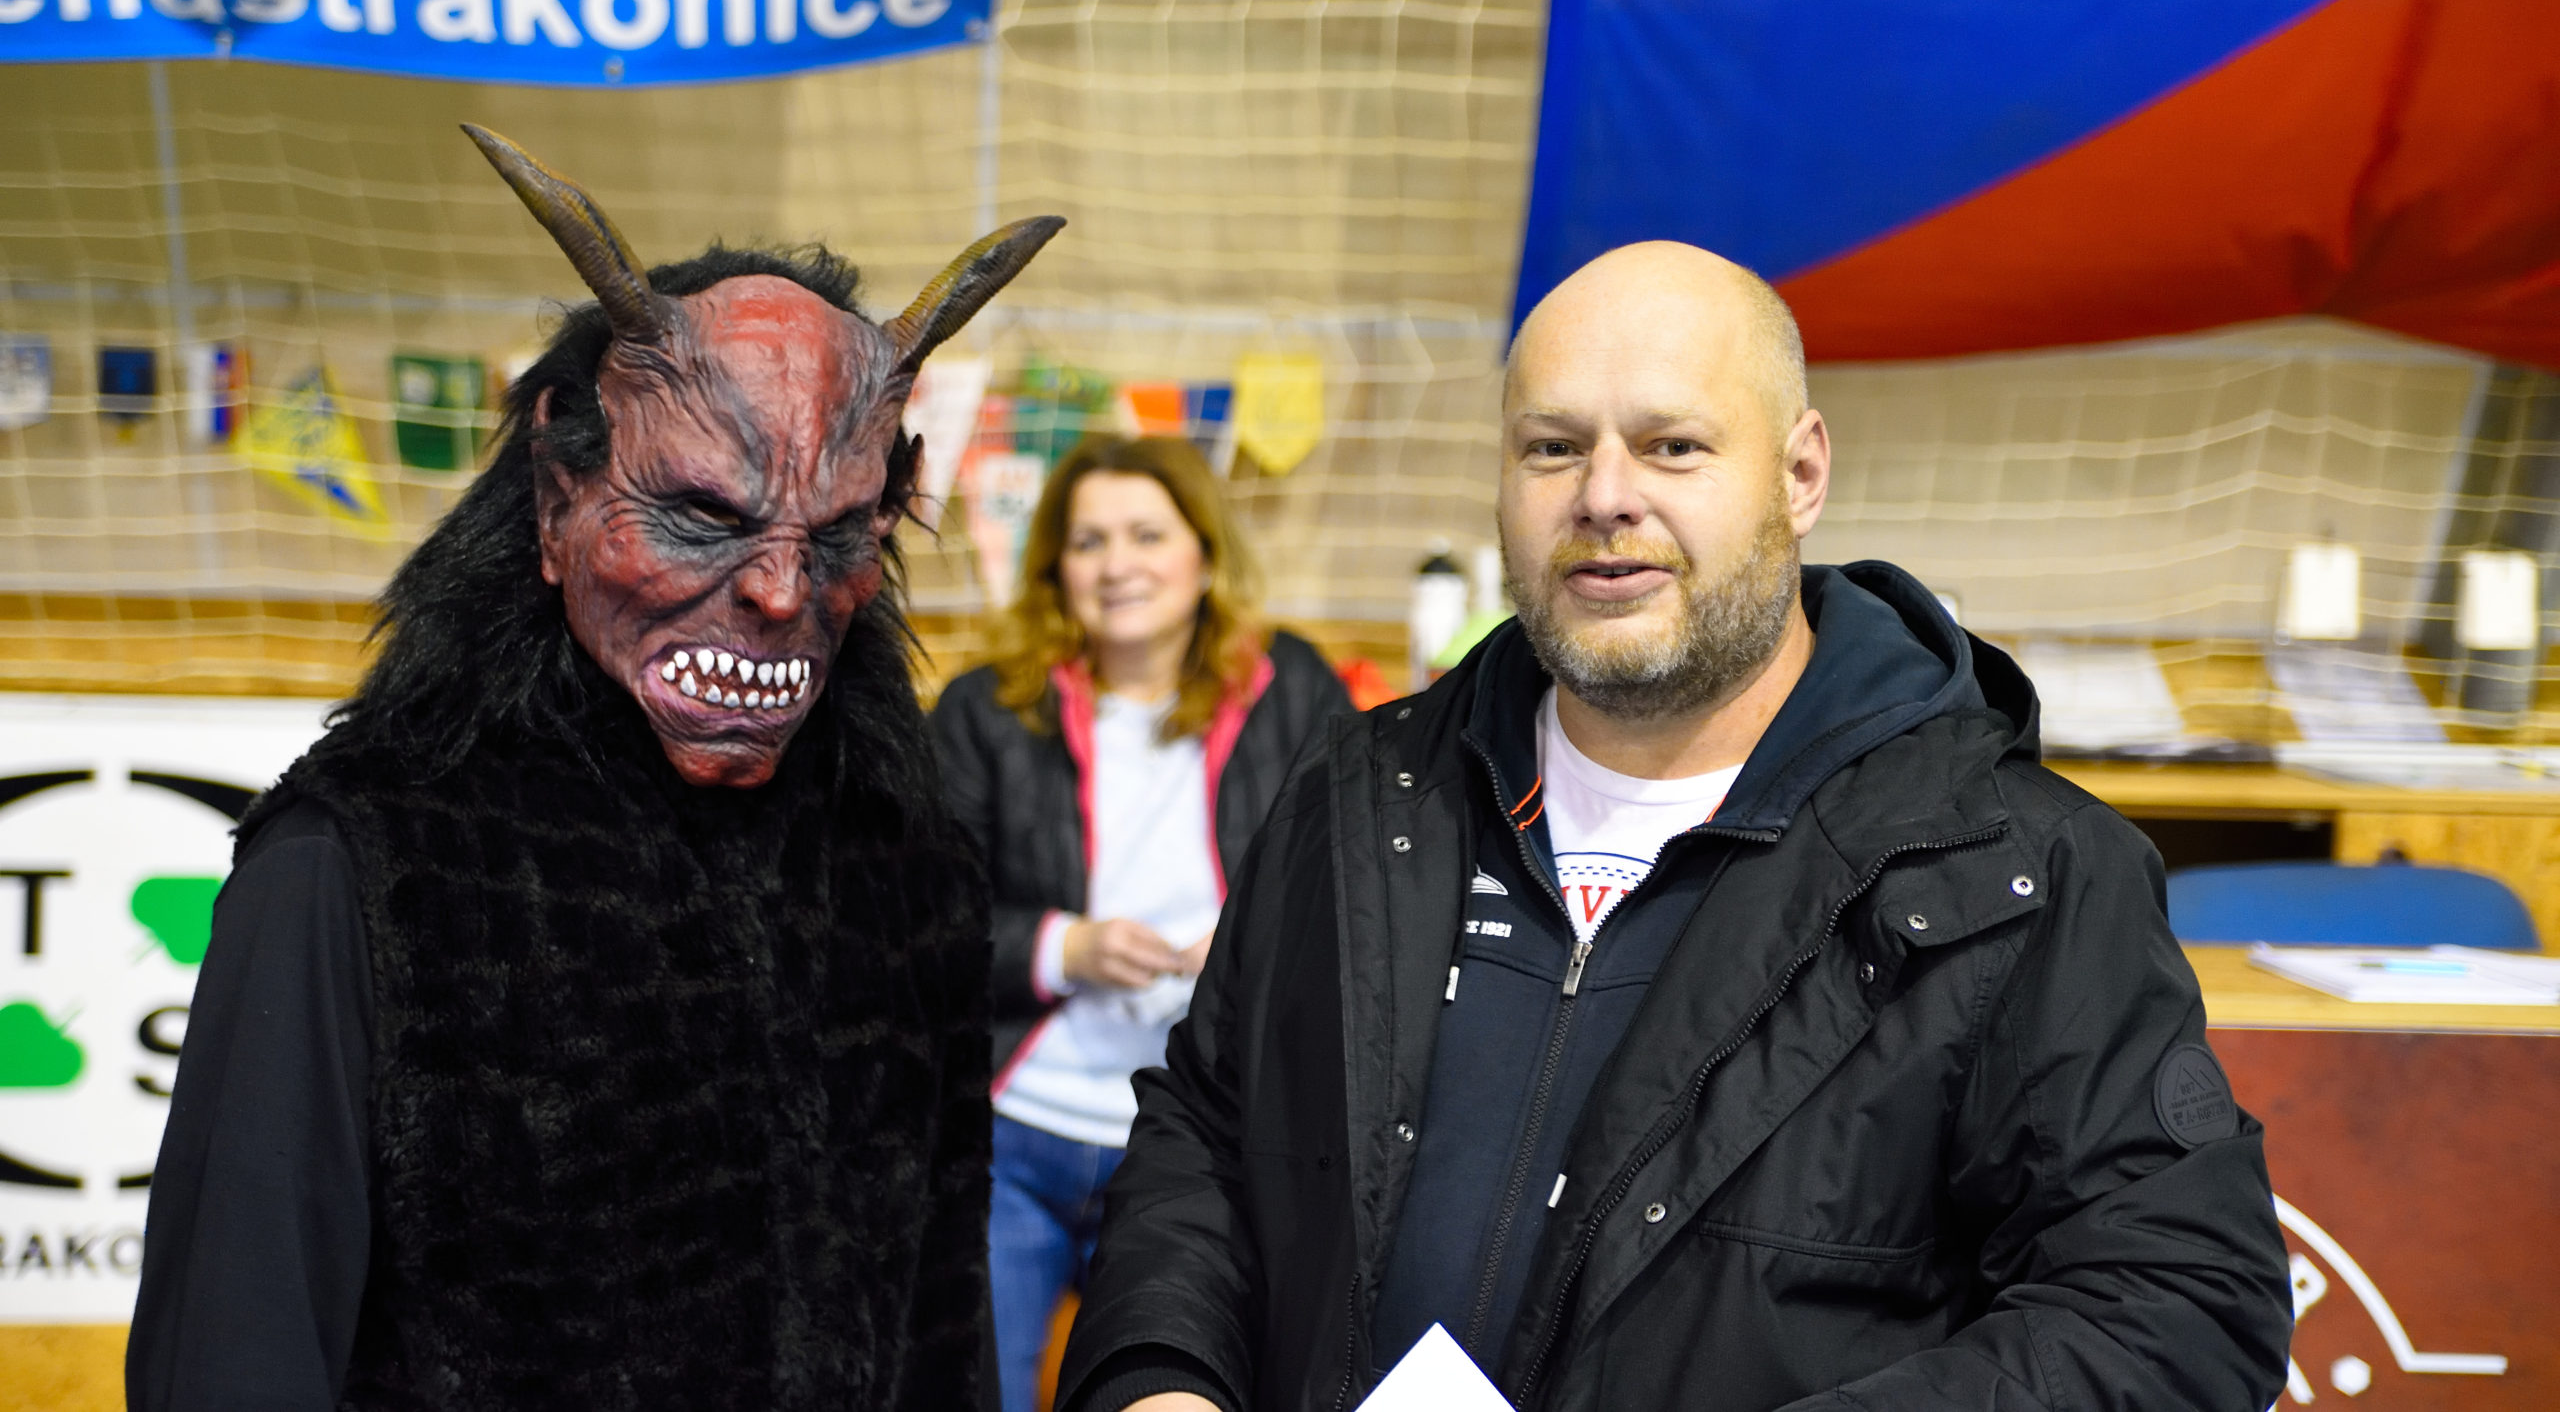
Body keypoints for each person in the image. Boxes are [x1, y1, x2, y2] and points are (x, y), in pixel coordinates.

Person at [1055, 244, 2294, 1412]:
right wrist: (1161, 1372)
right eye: (1552, 447)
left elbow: (2173, 1300)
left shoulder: (2010, 867)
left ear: (1800, 474)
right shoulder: (1363, 794)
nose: (1604, 497)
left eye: (1672, 445)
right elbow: (1206, 1133)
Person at [125, 126, 1062, 1411]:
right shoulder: (361, 870)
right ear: (559, 496)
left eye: (839, 531)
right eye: (701, 515)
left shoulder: (905, 867)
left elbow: (940, 1325)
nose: (781, 590)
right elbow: (235, 1346)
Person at [932, 434, 1354, 1412]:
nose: (1116, 563)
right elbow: (919, 924)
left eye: (1146, 534)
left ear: (1203, 553)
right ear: (1056, 568)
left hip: (1201, 1143)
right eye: (1088, 541)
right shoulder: (983, 710)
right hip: (1018, 1132)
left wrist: (1250, 945)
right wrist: (1064, 946)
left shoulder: (1294, 690)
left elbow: (1352, 883)